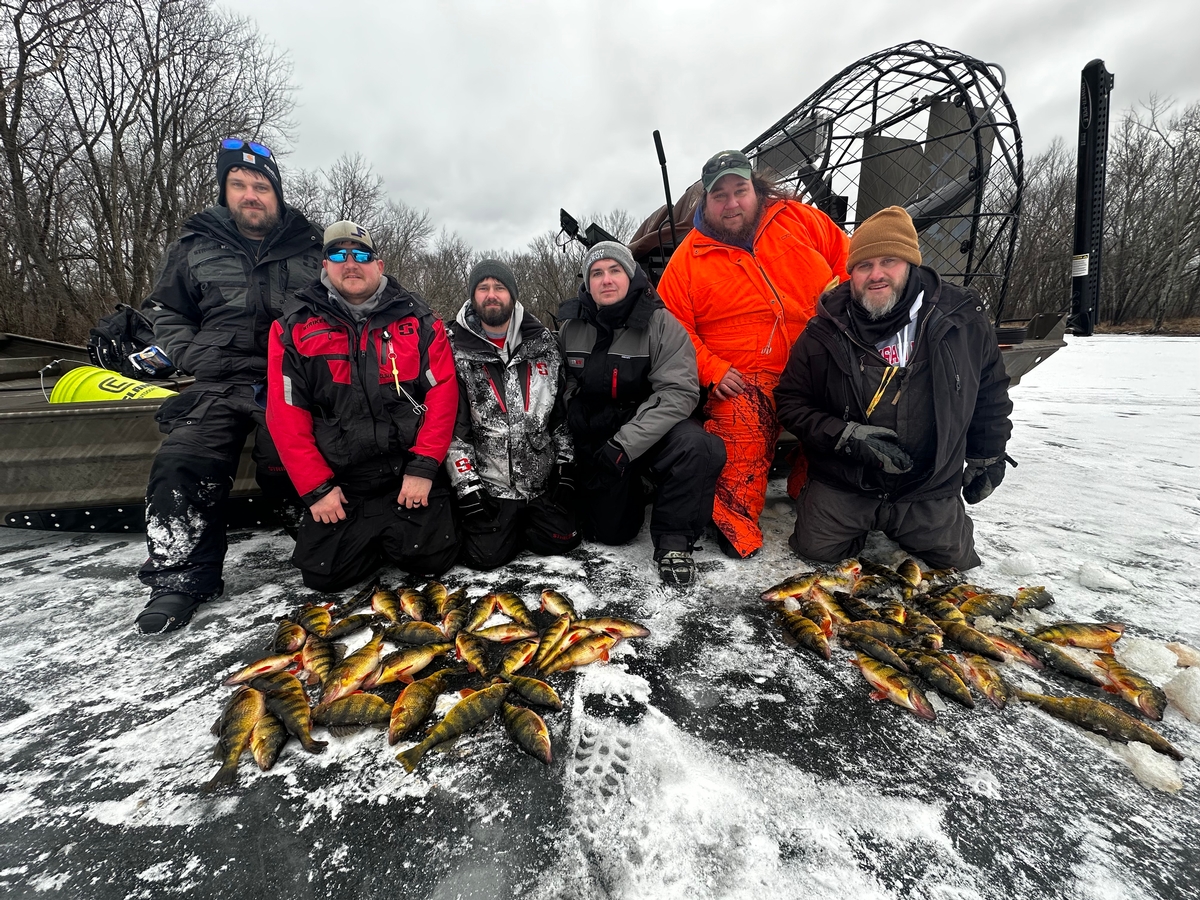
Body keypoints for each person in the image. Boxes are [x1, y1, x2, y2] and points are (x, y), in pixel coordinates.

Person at [134, 138, 323, 634]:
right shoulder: (194, 245)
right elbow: (167, 311)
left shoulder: (312, 247)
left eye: (261, 186)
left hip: (289, 378)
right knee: (183, 458)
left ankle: (319, 544)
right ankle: (179, 580)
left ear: (277, 193)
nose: (251, 194)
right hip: (218, 378)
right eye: (239, 184)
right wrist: (190, 353)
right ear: (225, 190)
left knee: (291, 455)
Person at [774, 206, 1013, 569]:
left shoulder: (962, 319)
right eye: (864, 265)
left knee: (955, 564)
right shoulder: (823, 329)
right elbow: (790, 401)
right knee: (814, 552)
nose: (876, 274)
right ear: (851, 272)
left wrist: (988, 455)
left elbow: (990, 393)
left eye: (889, 261)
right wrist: (846, 437)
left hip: (927, 487)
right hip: (845, 482)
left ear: (911, 263)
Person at [658, 149, 850, 560]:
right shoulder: (687, 259)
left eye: (739, 191)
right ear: (706, 201)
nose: (731, 203)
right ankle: (736, 524)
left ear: (756, 189)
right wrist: (712, 368)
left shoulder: (800, 219)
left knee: (847, 417)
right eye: (719, 195)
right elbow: (672, 330)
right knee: (739, 434)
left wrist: (845, 312)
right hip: (745, 378)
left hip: (819, 363)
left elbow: (850, 264)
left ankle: (814, 490)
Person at [266, 221, 460, 591]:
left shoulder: (420, 321)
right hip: (343, 477)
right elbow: (285, 412)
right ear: (325, 265)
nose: (351, 263)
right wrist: (317, 488)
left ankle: (393, 529)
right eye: (338, 255)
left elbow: (442, 394)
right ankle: (370, 532)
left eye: (362, 255)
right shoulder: (292, 327)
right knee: (324, 576)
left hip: (406, 468)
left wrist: (424, 467)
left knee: (434, 560)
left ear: (379, 265)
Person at [557, 241, 726, 586]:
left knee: (698, 446)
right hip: (598, 431)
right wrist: (577, 407)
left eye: (615, 270)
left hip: (648, 428)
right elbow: (563, 381)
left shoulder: (661, 323)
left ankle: (674, 543)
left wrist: (625, 443)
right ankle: (636, 489)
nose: (606, 280)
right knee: (611, 533)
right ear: (587, 283)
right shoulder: (569, 326)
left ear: (632, 275)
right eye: (596, 273)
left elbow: (679, 392)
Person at [444, 259, 581, 568]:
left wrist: (566, 469)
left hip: (539, 483)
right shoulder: (455, 349)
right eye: (483, 288)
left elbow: (559, 418)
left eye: (500, 287)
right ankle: (503, 526)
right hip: (490, 484)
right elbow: (454, 429)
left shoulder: (545, 345)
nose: (491, 295)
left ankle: (524, 523)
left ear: (513, 295)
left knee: (564, 539)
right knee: (484, 556)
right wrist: (467, 487)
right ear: (473, 296)